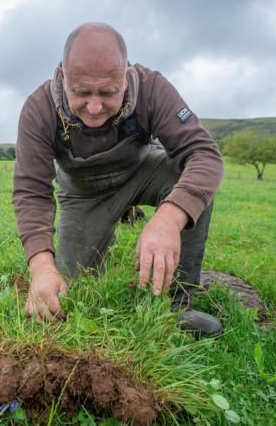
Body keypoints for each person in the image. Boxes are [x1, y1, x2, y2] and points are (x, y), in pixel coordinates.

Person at [12, 23, 224, 336]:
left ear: (124, 76)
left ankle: (177, 307)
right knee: (74, 297)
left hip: (141, 173)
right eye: (82, 92)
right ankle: (91, 255)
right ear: (62, 76)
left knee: (190, 181)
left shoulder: (152, 88)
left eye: (108, 93)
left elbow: (205, 155)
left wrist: (169, 218)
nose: (95, 107)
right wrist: (41, 266)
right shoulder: (38, 109)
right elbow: (31, 191)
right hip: (83, 194)